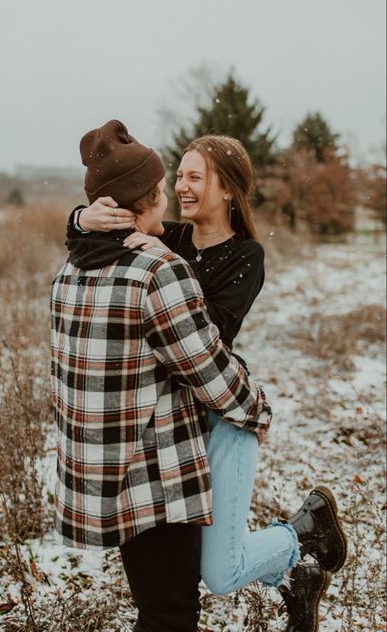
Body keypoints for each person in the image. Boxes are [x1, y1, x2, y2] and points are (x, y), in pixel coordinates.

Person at [67, 132, 347, 632]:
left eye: (196, 176)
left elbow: (205, 333)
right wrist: (81, 219)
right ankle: (293, 571)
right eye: (179, 175)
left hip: (220, 416)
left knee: (219, 573)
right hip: (173, 429)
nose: (182, 185)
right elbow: (104, 236)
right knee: (189, 576)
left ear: (229, 191)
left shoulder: (244, 256)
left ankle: (303, 537)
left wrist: (167, 268)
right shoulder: (169, 236)